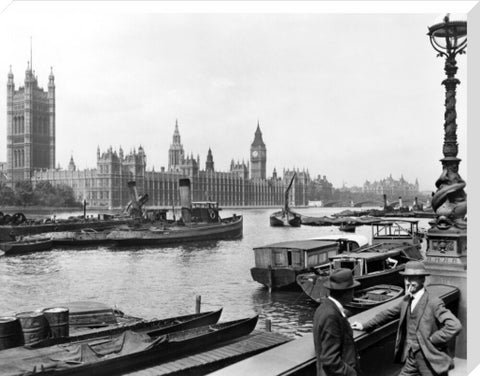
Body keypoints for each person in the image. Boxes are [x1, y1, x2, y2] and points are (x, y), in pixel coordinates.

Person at [351, 261, 461, 376]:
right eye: (406, 278)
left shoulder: (433, 302)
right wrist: (364, 325)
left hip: (429, 359)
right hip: (411, 358)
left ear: (422, 280)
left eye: (413, 278)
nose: (408, 282)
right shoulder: (406, 300)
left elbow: (454, 325)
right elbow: (388, 313)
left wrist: (434, 339)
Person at [313, 268, 362, 376]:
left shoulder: (324, 308)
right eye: (352, 290)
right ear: (345, 292)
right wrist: (352, 373)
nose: (353, 294)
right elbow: (330, 360)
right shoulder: (331, 315)